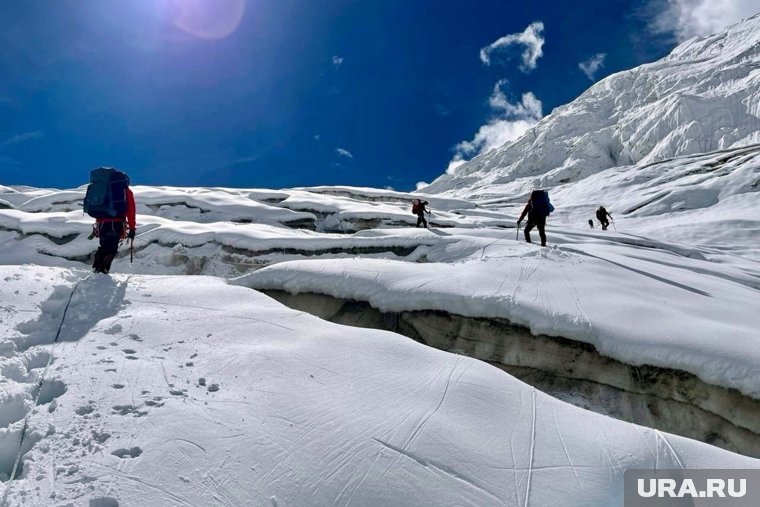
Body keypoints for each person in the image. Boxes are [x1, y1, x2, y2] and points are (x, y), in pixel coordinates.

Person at [85, 168, 136, 274]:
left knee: (104, 246)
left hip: (101, 223)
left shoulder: (104, 189)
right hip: (116, 223)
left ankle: (96, 268)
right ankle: (103, 270)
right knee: (112, 248)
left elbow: (100, 208)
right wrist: (132, 228)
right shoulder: (125, 191)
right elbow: (131, 210)